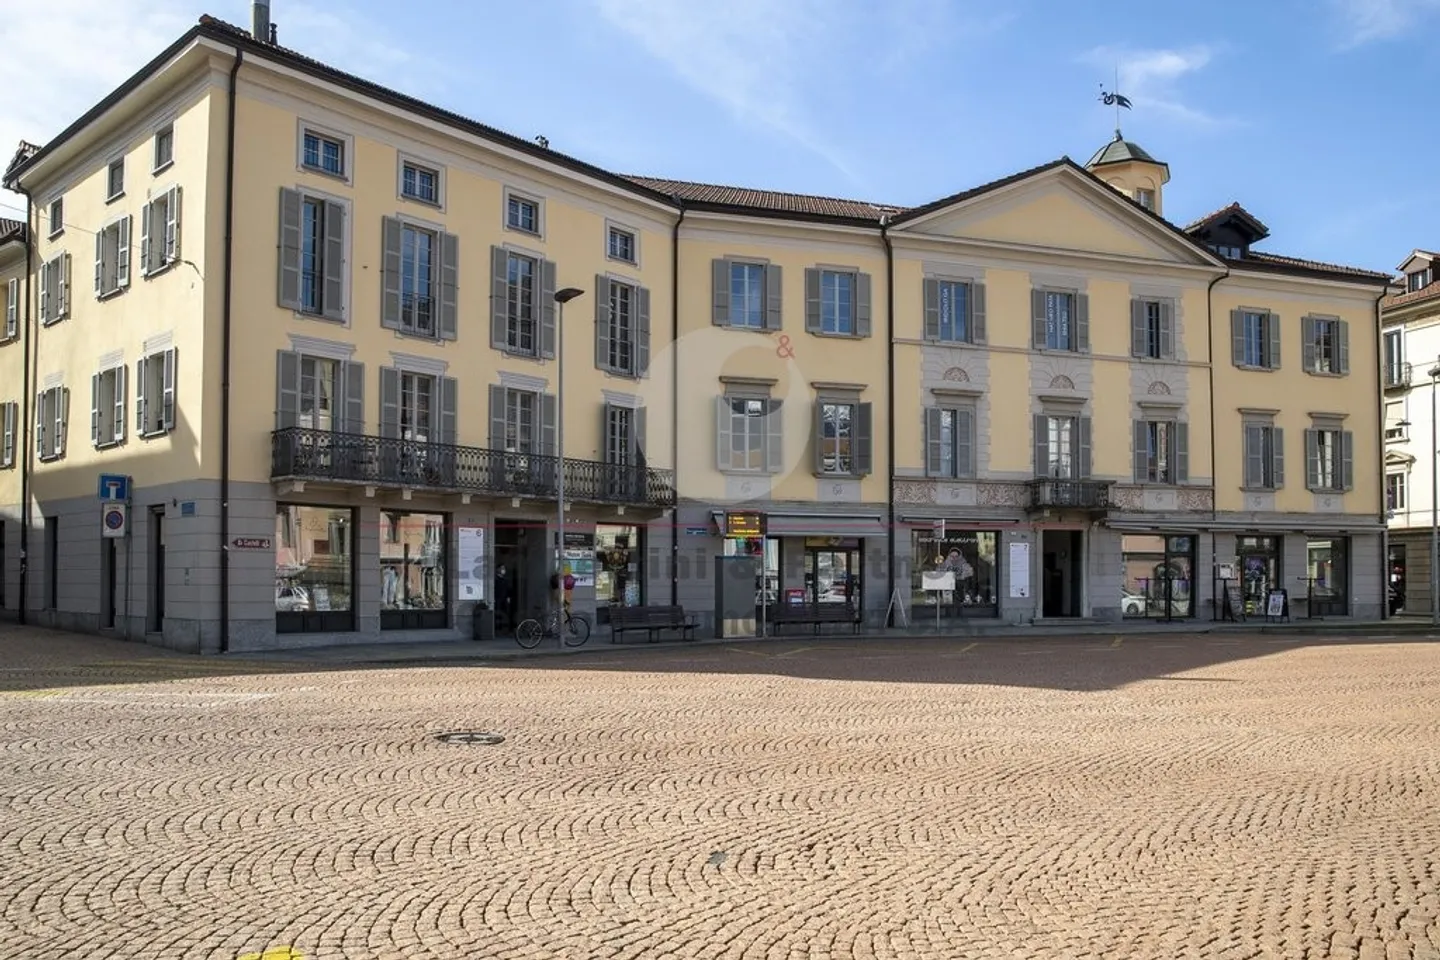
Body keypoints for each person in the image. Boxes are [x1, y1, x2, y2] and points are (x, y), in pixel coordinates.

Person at [494, 564, 514, 628]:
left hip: (504, 599)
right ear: (498, 569)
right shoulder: (495, 579)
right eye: (502, 568)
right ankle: (497, 626)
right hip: (497, 599)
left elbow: (508, 589)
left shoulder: (505, 579)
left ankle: (506, 626)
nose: (503, 570)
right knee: (498, 613)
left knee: (506, 613)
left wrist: (508, 597)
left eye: (504, 569)